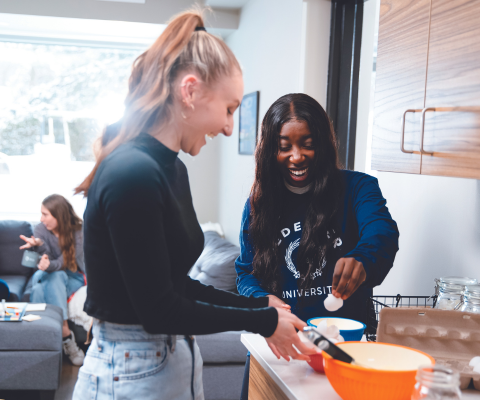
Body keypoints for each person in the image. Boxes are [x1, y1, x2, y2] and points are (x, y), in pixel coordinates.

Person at [72, 10, 317, 400]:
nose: (228, 127)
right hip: (131, 371)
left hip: (168, 360)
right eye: (229, 108)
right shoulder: (132, 173)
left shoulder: (171, 170)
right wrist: (263, 320)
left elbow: (176, 286)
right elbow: (159, 309)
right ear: (190, 92)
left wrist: (254, 304)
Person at [235, 93, 400, 398]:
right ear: (271, 150)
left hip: (343, 351)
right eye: (284, 147)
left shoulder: (358, 188)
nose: (296, 156)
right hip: (280, 345)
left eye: (307, 144)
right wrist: (263, 300)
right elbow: (245, 273)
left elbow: (383, 232)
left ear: (322, 143)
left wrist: (363, 259)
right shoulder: (259, 204)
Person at [20, 194, 86, 366]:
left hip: (73, 275)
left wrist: (47, 265)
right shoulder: (41, 230)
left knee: (40, 289)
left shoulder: (79, 231)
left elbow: (61, 264)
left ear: (59, 215)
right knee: (55, 276)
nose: (41, 219)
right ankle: (66, 334)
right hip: (46, 274)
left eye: (45, 214)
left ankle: (41, 347)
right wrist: (36, 247)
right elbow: (37, 262)